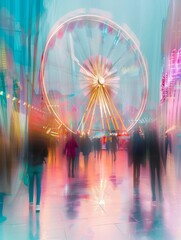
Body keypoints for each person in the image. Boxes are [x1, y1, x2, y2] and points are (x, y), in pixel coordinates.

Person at [27, 132, 48, 212]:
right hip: (39, 165)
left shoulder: (29, 141)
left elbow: (26, 153)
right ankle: (38, 205)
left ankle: (31, 202)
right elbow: (46, 153)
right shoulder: (42, 141)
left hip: (31, 165)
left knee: (31, 184)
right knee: (38, 185)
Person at [147, 125, 163, 202]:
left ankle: (154, 196)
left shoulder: (149, 139)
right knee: (159, 178)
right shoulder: (158, 139)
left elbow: (147, 150)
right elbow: (160, 151)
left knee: (153, 178)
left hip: (152, 161)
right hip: (157, 160)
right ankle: (160, 194)